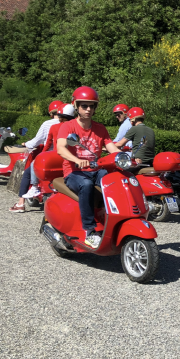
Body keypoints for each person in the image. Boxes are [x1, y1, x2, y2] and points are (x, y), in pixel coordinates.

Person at [57, 86, 119, 249]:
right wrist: (76, 159)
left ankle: (114, 221)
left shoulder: (100, 128)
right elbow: (61, 148)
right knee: (86, 185)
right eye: (84, 106)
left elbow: (112, 148)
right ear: (76, 106)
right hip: (74, 172)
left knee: (116, 180)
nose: (88, 109)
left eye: (92, 106)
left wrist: (126, 158)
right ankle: (89, 231)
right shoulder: (68, 126)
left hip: (96, 170)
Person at [10, 104, 75, 212]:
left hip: (55, 157)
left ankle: (24, 200)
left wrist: (40, 155)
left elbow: (45, 143)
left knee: (28, 171)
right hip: (72, 158)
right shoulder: (77, 126)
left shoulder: (51, 126)